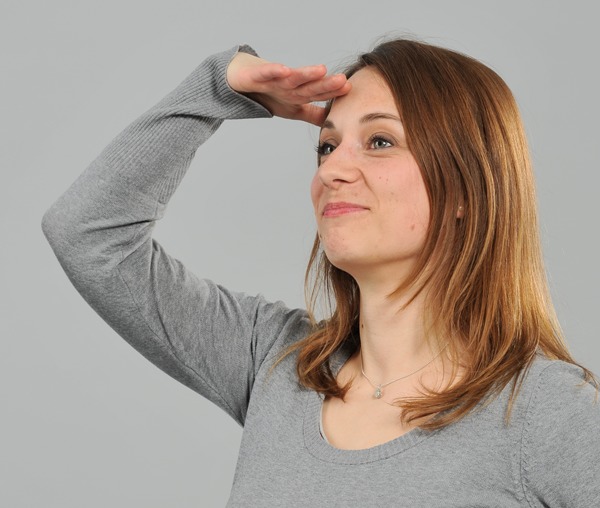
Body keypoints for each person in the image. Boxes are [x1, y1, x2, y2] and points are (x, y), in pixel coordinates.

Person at [42, 38, 600, 506]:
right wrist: (217, 88)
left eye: (379, 141)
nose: (333, 169)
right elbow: (87, 234)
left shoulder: (547, 412)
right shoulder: (276, 363)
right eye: (327, 146)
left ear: (466, 187)